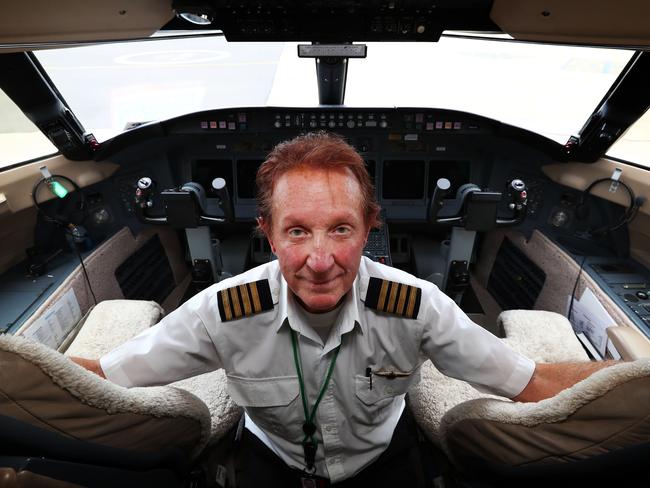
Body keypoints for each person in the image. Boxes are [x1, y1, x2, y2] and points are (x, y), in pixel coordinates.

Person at [72, 132, 614, 487]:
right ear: (268, 234)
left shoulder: (416, 306)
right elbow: (108, 377)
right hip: (271, 462)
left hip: (382, 460)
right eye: (298, 231)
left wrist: (630, 377)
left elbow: (529, 382)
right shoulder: (223, 311)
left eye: (340, 229)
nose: (321, 260)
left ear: (369, 228)